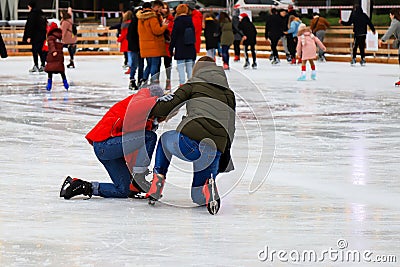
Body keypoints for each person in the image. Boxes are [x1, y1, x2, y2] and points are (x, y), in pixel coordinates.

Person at [147, 56, 236, 215]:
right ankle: (208, 186)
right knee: (197, 198)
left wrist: (151, 105)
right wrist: (223, 155)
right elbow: (231, 128)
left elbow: (167, 106)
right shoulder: (229, 94)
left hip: (190, 141)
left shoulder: (193, 84)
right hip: (214, 148)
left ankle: (158, 181)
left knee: (165, 139)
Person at [60, 85, 165, 200]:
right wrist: (155, 100)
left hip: (110, 150)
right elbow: (137, 106)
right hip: (105, 143)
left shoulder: (146, 121)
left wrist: (133, 180)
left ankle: (81, 186)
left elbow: (133, 150)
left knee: (123, 190)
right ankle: (139, 175)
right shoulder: (141, 96)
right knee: (150, 137)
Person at [137, 1, 168, 84]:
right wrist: (164, 26)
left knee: (149, 64)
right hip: (154, 45)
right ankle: (154, 81)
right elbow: (157, 31)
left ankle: (144, 79)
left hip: (144, 45)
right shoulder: (152, 18)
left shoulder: (140, 18)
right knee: (154, 64)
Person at [169, 4, 196, 86]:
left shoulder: (177, 21)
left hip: (180, 47)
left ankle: (182, 83)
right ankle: (191, 83)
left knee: (180, 67)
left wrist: (171, 48)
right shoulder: (190, 20)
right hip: (190, 47)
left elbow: (174, 36)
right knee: (189, 67)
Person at [23, 0, 47, 73]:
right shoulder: (41, 14)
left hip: (35, 36)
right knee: (40, 51)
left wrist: (28, 36)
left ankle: (36, 65)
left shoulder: (32, 14)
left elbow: (30, 26)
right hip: (42, 36)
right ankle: (43, 65)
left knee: (35, 50)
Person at [44, 23, 69, 91]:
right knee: (61, 70)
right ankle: (65, 83)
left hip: (53, 56)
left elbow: (51, 45)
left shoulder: (50, 37)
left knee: (50, 70)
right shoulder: (59, 37)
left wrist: (53, 51)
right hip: (59, 56)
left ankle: (49, 84)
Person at [379, 8, 400, 86]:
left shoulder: (395, 22)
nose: (390, 17)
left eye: (390, 15)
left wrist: (382, 40)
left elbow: (389, 31)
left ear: (393, 15)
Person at [127, 7, 144, 90]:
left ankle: (139, 79)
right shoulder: (134, 22)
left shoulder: (141, 21)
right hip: (136, 46)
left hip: (140, 46)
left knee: (140, 64)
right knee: (135, 64)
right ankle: (133, 79)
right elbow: (130, 36)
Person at [161, 2, 174, 90]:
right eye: (163, 8)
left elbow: (172, 30)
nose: (164, 10)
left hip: (167, 44)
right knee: (156, 64)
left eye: (166, 8)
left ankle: (168, 80)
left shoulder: (171, 19)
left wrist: (165, 27)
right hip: (158, 43)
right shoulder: (157, 18)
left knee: (167, 64)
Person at [118, 10, 133, 74]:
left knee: (129, 55)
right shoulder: (132, 23)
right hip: (131, 41)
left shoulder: (125, 24)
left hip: (126, 42)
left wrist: (119, 39)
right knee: (131, 55)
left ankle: (130, 68)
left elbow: (124, 34)